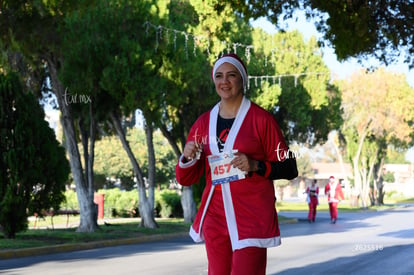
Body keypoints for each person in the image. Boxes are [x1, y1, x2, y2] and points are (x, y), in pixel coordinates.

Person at [175, 53, 298, 275]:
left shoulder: (262, 120)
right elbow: (185, 178)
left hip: (251, 216)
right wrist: (187, 157)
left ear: (243, 80)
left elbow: (290, 168)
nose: (225, 81)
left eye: (231, 75)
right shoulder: (203, 124)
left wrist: (256, 165)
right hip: (215, 216)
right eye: (219, 76)